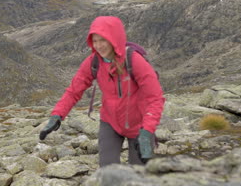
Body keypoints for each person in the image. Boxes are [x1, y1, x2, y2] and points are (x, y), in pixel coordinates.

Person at [39, 16, 165, 167]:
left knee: (140, 173)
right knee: (107, 170)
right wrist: (57, 115)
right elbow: (74, 91)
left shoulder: (134, 61)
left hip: (139, 126)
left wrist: (147, 132)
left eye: (103, 40)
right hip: (110, 122)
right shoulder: (94, 62)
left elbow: (155, 98)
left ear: (114, 39)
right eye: (95, 40)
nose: (98, 45)